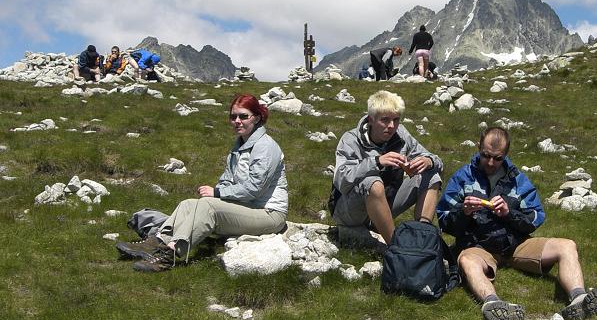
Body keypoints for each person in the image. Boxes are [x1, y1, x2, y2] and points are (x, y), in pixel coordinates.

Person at [436, 126, 597, 320]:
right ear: (478, 148)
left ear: (506, 154)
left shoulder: (517, 180)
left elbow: (535, 217)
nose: (491, 163)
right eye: (486, 156)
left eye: (498, 158)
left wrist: (508, 213)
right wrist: (464, 212)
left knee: (567, 245)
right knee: (467, 261)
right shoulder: (463, 178)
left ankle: (580, 300)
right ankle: (493, 305)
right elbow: (444, 219)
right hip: (478, 247)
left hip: (515, 244)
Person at [116, 94, 289, 272]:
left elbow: (254, 189)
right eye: (233, 117)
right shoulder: (239, 145)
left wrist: (217, 194)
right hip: (248, 208)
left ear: (257, 118)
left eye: (243, 116)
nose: (237, 121)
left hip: (269, 213)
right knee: (188, 204)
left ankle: (170, 256)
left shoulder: (265, 147)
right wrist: (219, 191)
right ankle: (157, 242)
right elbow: (227, 179)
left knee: (208, 207)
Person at [329, 90, 442, 247]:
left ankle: (423, 234)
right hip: (350, 211)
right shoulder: (351, 139)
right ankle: (395, 248)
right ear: (371, 119)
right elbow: (341, 180)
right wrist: (376, 162)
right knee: (372, 183)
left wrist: (428, 161)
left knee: (431, 175)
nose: (391, 126)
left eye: (396, 120)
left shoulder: (401, 135)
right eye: (385, 120)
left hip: (385, 204)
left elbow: (435, 159)